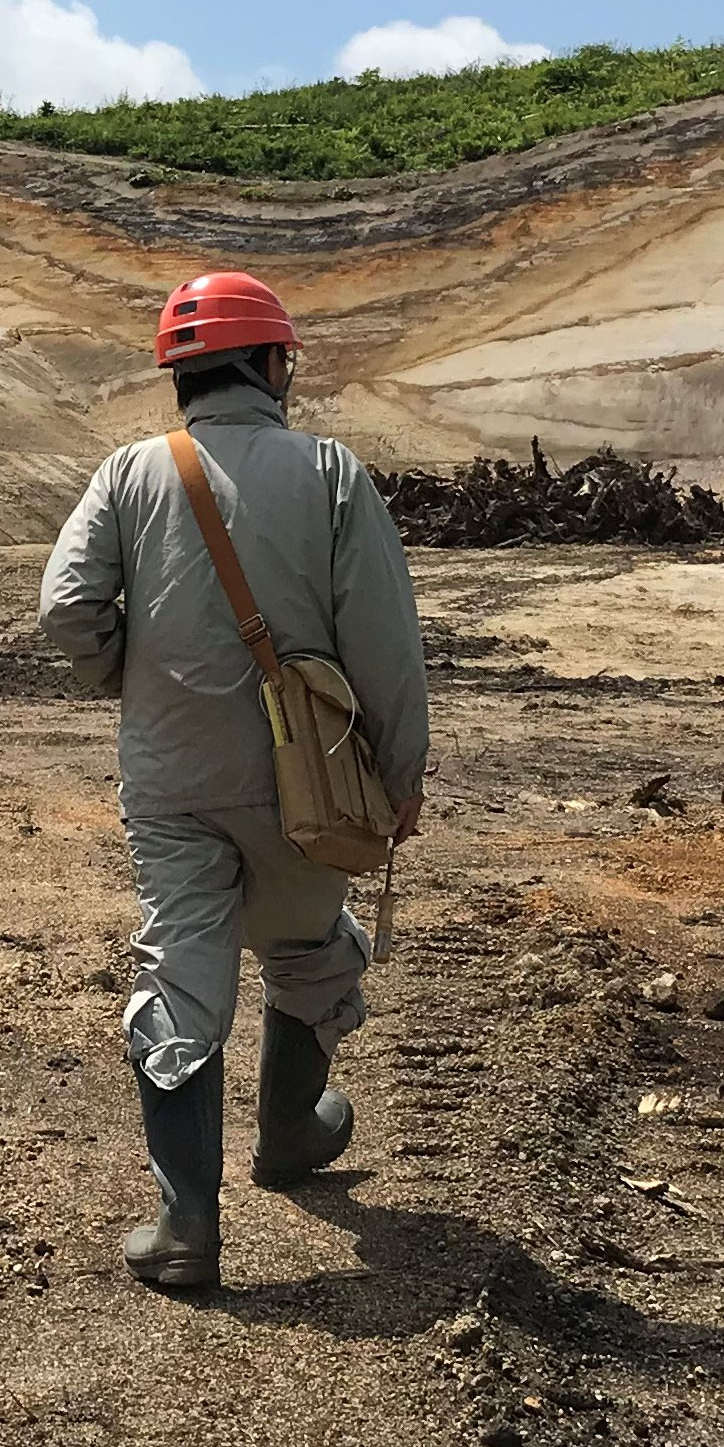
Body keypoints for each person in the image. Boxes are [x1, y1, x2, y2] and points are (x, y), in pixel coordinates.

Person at [35, 271, 431, 1293]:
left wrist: (132, 677)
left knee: (180, 967)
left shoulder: (126, 473)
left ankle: (185, 1227)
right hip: (311, 780)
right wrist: (400, 770)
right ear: (270, 364)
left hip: (170, 779)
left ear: (179, 375)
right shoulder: (334, 473)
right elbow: (384, 640)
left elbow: (66, 607)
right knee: (307, 945)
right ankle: (291, 1131)